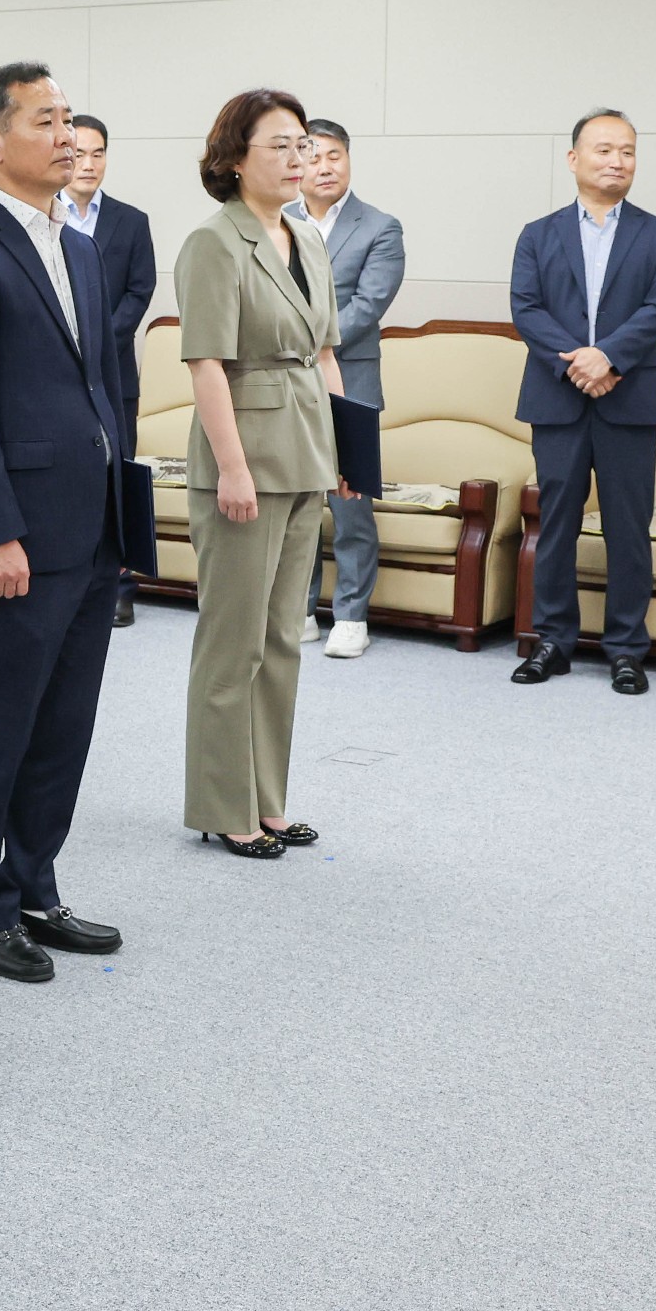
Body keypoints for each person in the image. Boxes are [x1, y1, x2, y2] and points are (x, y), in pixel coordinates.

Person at [0, 61, 128, 985]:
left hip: (92, 523)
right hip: (19, 532)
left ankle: (37, 881)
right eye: (48, 120)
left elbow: (99, 387)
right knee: (0, 722)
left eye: (72, 117)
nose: (69, 135)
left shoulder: (80, 244)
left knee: (66, 722)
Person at [179, 91, 350, 857]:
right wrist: (232, 468)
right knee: (233, 642)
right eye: (279, 145)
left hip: (306, 450)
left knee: (284, 637)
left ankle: (268, 797)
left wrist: (348, 451)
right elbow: (206, 363)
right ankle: (223, 802)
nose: (298, 158)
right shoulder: (214, 243)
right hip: (243, 458)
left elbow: (323, 354)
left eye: (302, 144)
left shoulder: (308, 238)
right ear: (236, 157)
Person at [510, 108, 656, 696]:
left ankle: (627, 648)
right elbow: (526, 309)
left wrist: (608, 356)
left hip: (629, 394)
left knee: (628, 527)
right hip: (557, 396)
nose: (617, 161)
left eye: (628, 151)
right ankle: (552, 641)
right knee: (555, 522)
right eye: (605, 149)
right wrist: (580, 362)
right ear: (574, 159)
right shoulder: (537, 233)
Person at [287, 118, 405, 658]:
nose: (323, 166)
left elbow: (368, 305)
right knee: (296, 502)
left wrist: (308, 341)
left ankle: (352, 614)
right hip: (285, 380)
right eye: (311, 156)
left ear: (348, 160)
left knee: (349, 503)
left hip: (350, 377)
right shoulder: (277, 221)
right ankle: (300, 607)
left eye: (333, 155)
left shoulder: (380, 226)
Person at [65, 113, 156, 626]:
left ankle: (120, 584)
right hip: (56, 377)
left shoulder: (131, 220)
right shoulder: (43, 219)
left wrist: (96, 343)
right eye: (79, 152)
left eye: (98, 153)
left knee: (118, 476)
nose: (88, 163)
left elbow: (139, 291)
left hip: (115, 374)